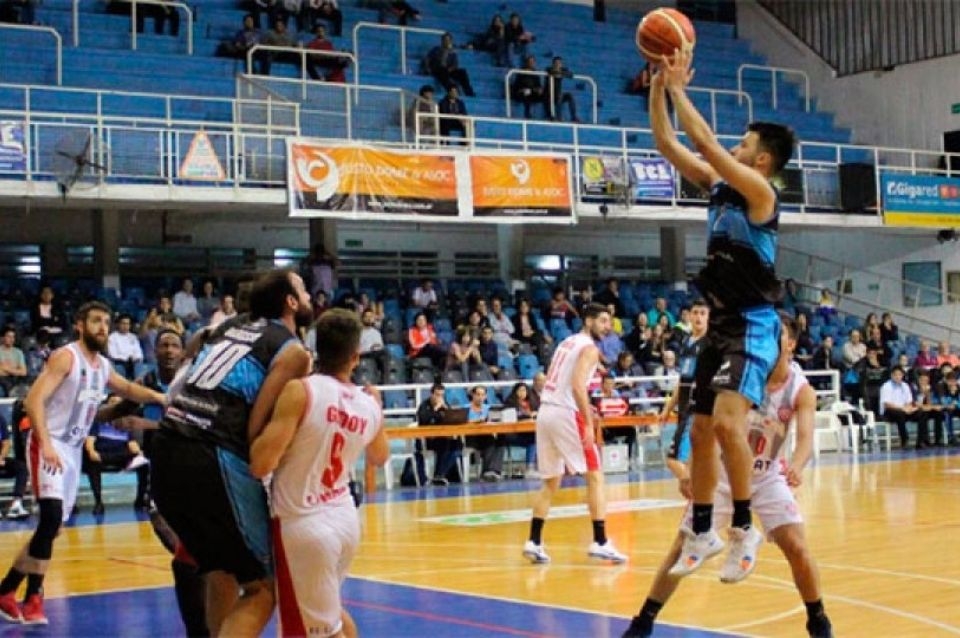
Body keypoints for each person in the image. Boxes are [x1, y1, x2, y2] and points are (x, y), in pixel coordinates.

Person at [651, 47, 796, 582]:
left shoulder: (760, 194)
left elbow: (707, 144)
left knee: (732, 425)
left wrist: (678, 88)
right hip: (720, 323)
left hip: (754, 324)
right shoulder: (718, 187)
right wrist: (657, 86)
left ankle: (742, 528)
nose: (734, 149)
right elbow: (667, 143)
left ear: (761, 162)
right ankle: (703, 530)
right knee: (703, 428)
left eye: (744, 145)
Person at [622, 313, 833, 638]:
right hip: (721, 476)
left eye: (775, 335)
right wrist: (691, 470)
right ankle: (644, 620)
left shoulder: (800, 389)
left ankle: (818, 621)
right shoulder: (742, 373)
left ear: (790, 344)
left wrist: (797, 464)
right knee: (682, 547)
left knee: (797, 546)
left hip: (766, 476)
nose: (766, 340)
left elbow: (805, 438)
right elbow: (705, 426)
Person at [149, 270, 313, 637]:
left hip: (166, 444)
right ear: (290, 302)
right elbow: (255, 427)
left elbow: (196, 342)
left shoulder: (229, 326)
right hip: (212, 453)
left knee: (220, 569)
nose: (309, 296)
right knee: (262, 587)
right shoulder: (293, 352)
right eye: (303, 290)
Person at [0, 302, 166, 626]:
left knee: (52, 529)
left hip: (73, 450)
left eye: (106, 322)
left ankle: (6, 590)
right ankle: (33, 597)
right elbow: (33, 400)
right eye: (96, 321)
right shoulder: (66, 357)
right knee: (50, 518)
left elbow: (127, 388)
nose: (103, 327)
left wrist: (160, 397)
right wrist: (46, 443)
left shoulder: (102, 366)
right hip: (50, 441)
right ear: (80, 325)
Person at [250, 309, 387, 638]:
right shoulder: (368, 403)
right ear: (355, 357)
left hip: (303, 523)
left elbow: (261, 464)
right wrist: (377, 409)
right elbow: (379, 457)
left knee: (314, 631)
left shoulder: (301, 391)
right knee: (329, 616)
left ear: (314, 348)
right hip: (345, 520)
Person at [96, 328, 208, 637]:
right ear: (154, 352)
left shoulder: (193, 381)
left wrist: (146, 424)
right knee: (161, 523)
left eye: (174, 345)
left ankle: (204, 578)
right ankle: (199, 573)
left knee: (189, 546)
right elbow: (116, 410)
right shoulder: (145, 382)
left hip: (194, 466)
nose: (169, 350)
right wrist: (89, 412)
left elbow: (195, 424)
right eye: (164, 345)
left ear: (183, 352)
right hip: (161, 466)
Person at [523, 303, 626, 564]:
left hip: (546, 412)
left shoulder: (566, 342)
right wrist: (588, 422)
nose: (607, 327)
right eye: (602, 321)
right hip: (565, 413)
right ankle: (600, 541)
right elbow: (578, 386)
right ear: (588, 321)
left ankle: (534, 541)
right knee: (596, 475)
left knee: (551, 481)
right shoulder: (589, 348)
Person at [659, 298, 708, 482]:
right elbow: (683, 379)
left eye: (703, 313)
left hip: (698, 408)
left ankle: (698, 494)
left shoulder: (710, 344)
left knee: (674, 459)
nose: (698, 317)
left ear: (708, 317)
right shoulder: (686, 341)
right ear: (689, 316)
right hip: (684, 406)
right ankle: (701, 495)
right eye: (695, 313)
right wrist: (668, 408)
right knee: (691, 462)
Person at [425, 33, 475, 97]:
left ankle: (468, 92)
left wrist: (451, 69)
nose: (446, 42)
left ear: (451, 41)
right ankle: (451, 90)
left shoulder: (452, 52)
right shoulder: (436, 49)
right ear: (442, 41)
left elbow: (455, 64)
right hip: (438, 70)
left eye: (448, 40)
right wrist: (427, 68)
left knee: (462, 72)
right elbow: (427, 59)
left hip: (448, 70)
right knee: (442, 70)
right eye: (445, 40)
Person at [107, 314, 144, 380]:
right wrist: (126, 358)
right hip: (119, 362)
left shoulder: (133, 337)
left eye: (127, 324)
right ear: (118, 324)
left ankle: (138, 383)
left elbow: (138, 352)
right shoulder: (112, 337)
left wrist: (135, 358)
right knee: (119, 367)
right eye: (123, 323)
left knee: (139, 364)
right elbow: (112, 354)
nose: (125, 326)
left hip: (132, 362)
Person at [544, 56, 578, 122]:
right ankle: (558, 117)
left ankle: (574, 117)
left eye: (559, 63)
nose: (557, 65)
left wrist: (562, 73)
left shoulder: (563, 70)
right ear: (553, 64)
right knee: (559, 96)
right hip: (549, 95)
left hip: (558, 94)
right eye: (556, 63)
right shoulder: (548, 69)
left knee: (569, 96)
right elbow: (551, 72)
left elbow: (570, 75)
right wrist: (560, 73)